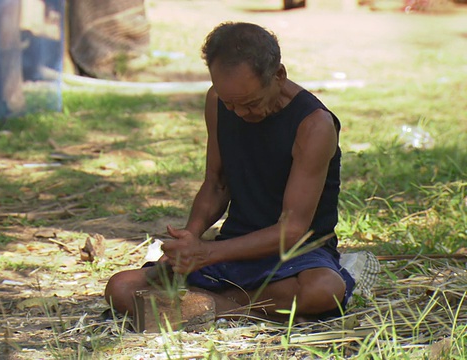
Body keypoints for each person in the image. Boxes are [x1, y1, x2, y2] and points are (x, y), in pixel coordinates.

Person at [104, 22, 355, 322]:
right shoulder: (217, 101)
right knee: (120, 288)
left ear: (279, 76)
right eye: (230, 104)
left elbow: (292, 231)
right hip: (232, 250)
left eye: (250, 104)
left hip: (295, 257)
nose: (239, 114)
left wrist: (207, 254)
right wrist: (190, 238)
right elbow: (217, 184)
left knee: (323, 290)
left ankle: (214, 307)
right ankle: (232, 306)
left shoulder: (314, 125)